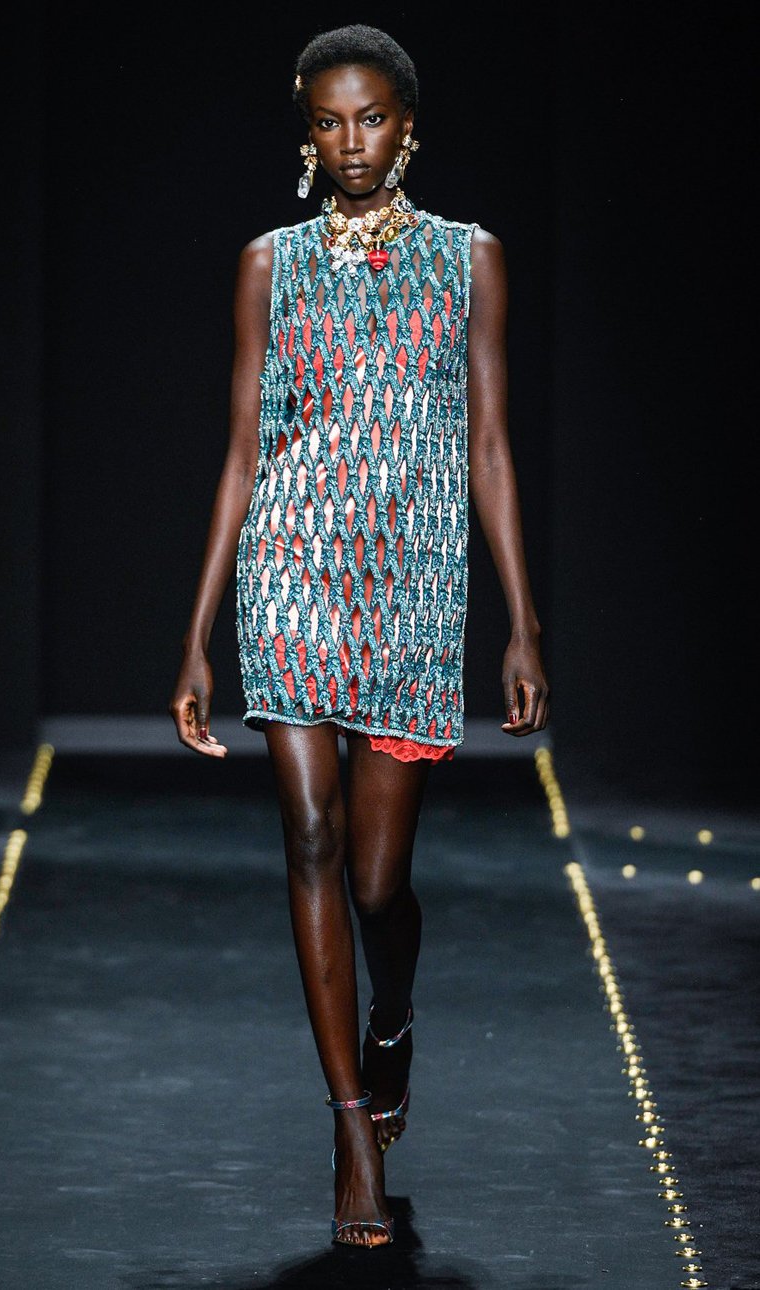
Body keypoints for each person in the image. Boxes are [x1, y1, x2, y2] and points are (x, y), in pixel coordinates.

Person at [169, 24, 549, 1249]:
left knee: (380, 882)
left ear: (407, 126)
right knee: (312, 837)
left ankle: (393, 1022)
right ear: (306, 132)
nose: (350, 142)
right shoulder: (266, 265)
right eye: (329, 122)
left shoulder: (468, 258)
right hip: (290, 575)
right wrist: (196, 637)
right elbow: (241, 453)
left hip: (413, 589)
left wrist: (522, 624)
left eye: (371, 118)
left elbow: (488, 445)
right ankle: (348, 1132)